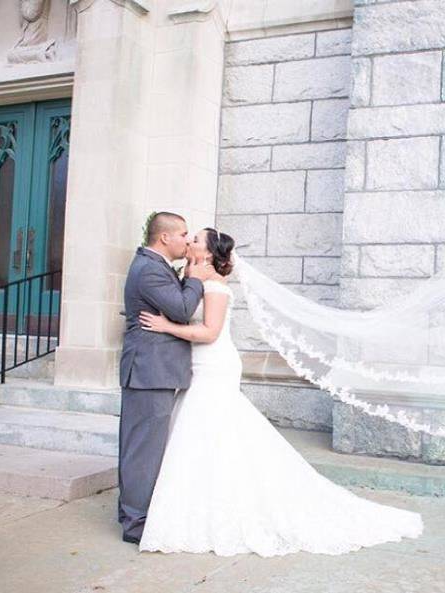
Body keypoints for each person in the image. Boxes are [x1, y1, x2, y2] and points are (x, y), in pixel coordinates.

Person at [136, 228, 423, 557]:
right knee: (203, 432)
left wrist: (166, 327)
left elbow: (210, 331)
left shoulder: (214, 285)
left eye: (196, 240)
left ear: (210, 253)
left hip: (213, 364)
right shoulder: (194, 277)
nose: (190, 242)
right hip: (198, 365)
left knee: (210, 429)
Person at [118, 212, 215, 543]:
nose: (188, 240)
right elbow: (183, 309)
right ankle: (135, 524)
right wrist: (196, 278)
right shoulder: (149, 270)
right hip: (149, 371)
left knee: (143, 447)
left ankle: (132, 514)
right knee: (143, 450)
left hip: (152, 370)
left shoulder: (153, 266)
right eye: (184, 234)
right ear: (165, 238)